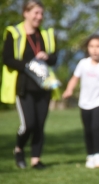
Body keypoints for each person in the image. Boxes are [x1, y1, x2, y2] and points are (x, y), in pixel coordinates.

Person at [1, 0, 58, 169]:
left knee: (40, 124)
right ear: (25, 13)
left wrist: (47, 57)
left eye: (41, 13)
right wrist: (27, 65)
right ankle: (18, 149)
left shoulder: (46, 34)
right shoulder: (13, 32)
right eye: (36, 13)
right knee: (28, 124)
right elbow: (7, 59)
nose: (39, 17)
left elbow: (54, 59)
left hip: (44, 86)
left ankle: (35, 159)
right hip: (23, 86)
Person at [62, 34, 99, 169]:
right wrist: (69, 90)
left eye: (98, 46)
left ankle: (98, 154)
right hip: (85, 102)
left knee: (96, 126)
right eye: (91, 46)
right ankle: (90, 156)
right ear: (87, 48)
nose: (95, 50)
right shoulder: (83, 63)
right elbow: (74, 79)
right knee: (88, 129)